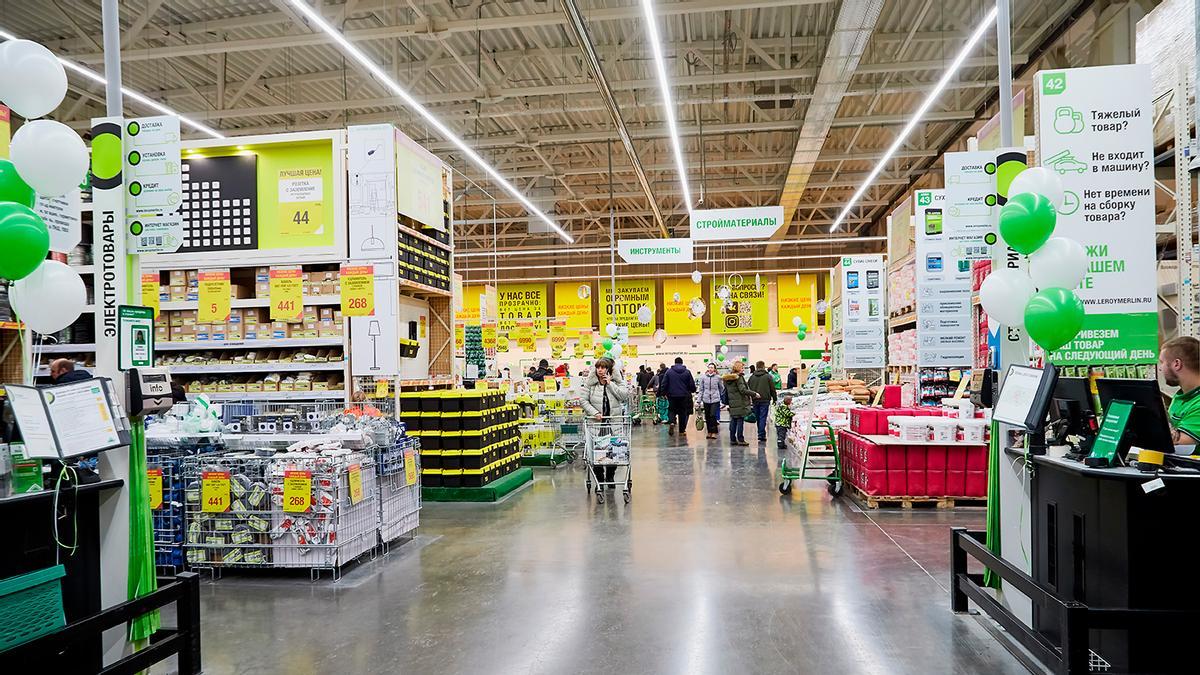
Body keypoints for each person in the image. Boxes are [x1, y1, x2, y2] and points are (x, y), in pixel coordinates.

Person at [580, 357, 629, 486]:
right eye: (598, 367)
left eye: (603, 367)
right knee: (597, 451)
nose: (600, 370)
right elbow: (583, 400)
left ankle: (610, 476)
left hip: (613, 423)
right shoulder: (590, 384)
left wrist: (610, 384)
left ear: (609, 369)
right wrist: (594, 413)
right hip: (596, 424)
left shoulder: (617, 382)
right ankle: (599, 477)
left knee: (613, 450)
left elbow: (624, 396)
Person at [1160, 336, 1200, 452]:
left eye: (1162, 362)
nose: (1161, 368)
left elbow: (1178, 444)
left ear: (1176, 364)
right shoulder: (1181, 396)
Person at [659, 357, 697, 437]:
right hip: (684, 395)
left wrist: (663, 393)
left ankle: (672, 422)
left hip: (671, 395)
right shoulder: (687, 372)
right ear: (682, 363)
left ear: (675, 363)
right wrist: (692, 390)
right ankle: (682, 431)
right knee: (682, 412)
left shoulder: (669, 372)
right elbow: (691, 385)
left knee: (671, 410)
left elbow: (664, 384)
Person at [722, 361, 754, 446]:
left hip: (732, 403)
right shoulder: (739, 378)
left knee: (733, 421)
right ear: (739, 368)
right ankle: (741, 439)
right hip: (740, 402)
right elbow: (742, 390)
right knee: (740, 421)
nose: (743, 369)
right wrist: (754, 394)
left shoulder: (728, 378)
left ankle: (732, 439)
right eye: (742, 367)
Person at [747, 361, 776, 442]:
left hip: (755, 399)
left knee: (758, 417)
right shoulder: (768, 376)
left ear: (756, 367)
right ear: (763, 366)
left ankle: (761, 434)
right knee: (763, 417)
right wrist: (775, 398)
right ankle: (761, 434)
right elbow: (772, 388)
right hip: (765, 399)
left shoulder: (752, 377)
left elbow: (748, 388)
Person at [698, 362, 724, 439]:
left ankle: (714, 432)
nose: (710, 369)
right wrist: (699, 400)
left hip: (715, 399)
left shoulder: (718, 378)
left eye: (712, 367)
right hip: (706, 399)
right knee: (707, 416)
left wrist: (722, 399)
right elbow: (701, 389)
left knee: (713, 415)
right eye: (709, 367)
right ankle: (709, 432)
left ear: (714, 369)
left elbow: (721, 388)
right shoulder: (703, 378)